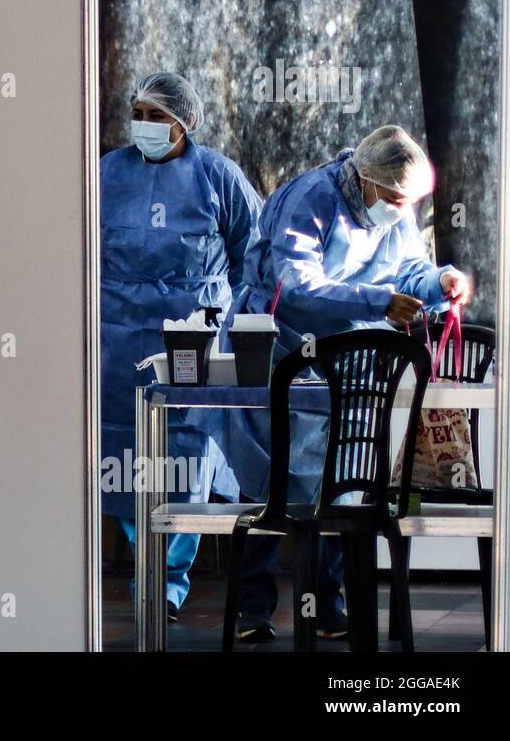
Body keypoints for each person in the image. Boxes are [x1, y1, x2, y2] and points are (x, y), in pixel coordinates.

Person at [219, 125, 472, 641]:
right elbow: (295, 287)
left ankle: (327, 606)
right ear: (366, 180)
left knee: (342, 481)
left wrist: (439, 279)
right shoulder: (311, 200)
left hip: (347, 361)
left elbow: (408, 269)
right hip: (282, 347)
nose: (400, 212)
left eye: (409, 202)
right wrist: (375, 303)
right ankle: (252, 606)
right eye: (395, 199)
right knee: (270, 474)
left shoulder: (392, 207)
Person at [101, 72, 263, 619]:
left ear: (184, 121)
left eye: (156, 115)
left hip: (193, 340)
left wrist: (236, 322)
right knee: (120, 453)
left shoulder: (219, 178)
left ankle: (169, 581)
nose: (143, 125)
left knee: (186, 449)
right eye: (138, 113)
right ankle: (144, 565)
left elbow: (256, 258)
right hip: (116, 342)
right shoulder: (104, 175)